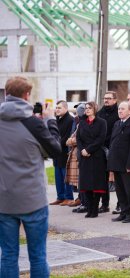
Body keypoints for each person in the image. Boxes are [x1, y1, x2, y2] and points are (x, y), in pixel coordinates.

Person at [0, 76, 61, 277]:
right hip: (32, 199)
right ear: (27, 95)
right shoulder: (33, 124)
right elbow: (56, 150)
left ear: (6, 94)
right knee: (38, 256)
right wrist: (51, 120)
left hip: (4, 200)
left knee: (8, 255)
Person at [108, 101, 130, 223]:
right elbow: (112, 143)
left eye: (122, 109)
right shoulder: (117, 124)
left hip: (127, 163)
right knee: (120, 189)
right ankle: (124, 211)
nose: (120, 111)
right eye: (119, 109)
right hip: (116, 162)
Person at [76, 101, 107, 218]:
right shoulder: (82, 123)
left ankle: (95, 209)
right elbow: (78, 139)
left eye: (89, 108)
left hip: (96, 156)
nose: (87, 110)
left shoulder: (101, 122)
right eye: (86, 108)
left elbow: (101, 139)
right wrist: (82, 150)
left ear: (95, 109)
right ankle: (89, 209)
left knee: (96, 184)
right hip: (84, 157)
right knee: (86, 183)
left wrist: (89, 149)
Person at [96, 91, 119, 213]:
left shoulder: (119, 112)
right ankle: (104, 204)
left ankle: (120, 204)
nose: (106, 100)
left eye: (109, 98)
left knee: (118, 178)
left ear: (115, 100)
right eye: (105, 98)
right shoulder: (100, 113)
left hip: (116, 149)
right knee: (103, 178)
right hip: (102, 149)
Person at [49, 100, 74, 206]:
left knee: (65, 176)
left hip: (65, 151)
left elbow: (69, 136)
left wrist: (56, 144)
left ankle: (69, 197)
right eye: (56, 107)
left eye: (59, 108)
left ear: (65, 108)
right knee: (58, 176)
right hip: (57, 153)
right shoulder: (57, 120)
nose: (57, 109)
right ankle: (60, 197)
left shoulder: (70, 120)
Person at [66, 103, 86, 211]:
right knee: (78, 181)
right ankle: (80, 200)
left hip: (83, 154)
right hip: (75, 154)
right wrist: (73, 141)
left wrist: (73, 141)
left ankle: (84, 202)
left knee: (82, 180)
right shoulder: (77, 122)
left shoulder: (83, 123)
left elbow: (79, 139)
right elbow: (69, 139)